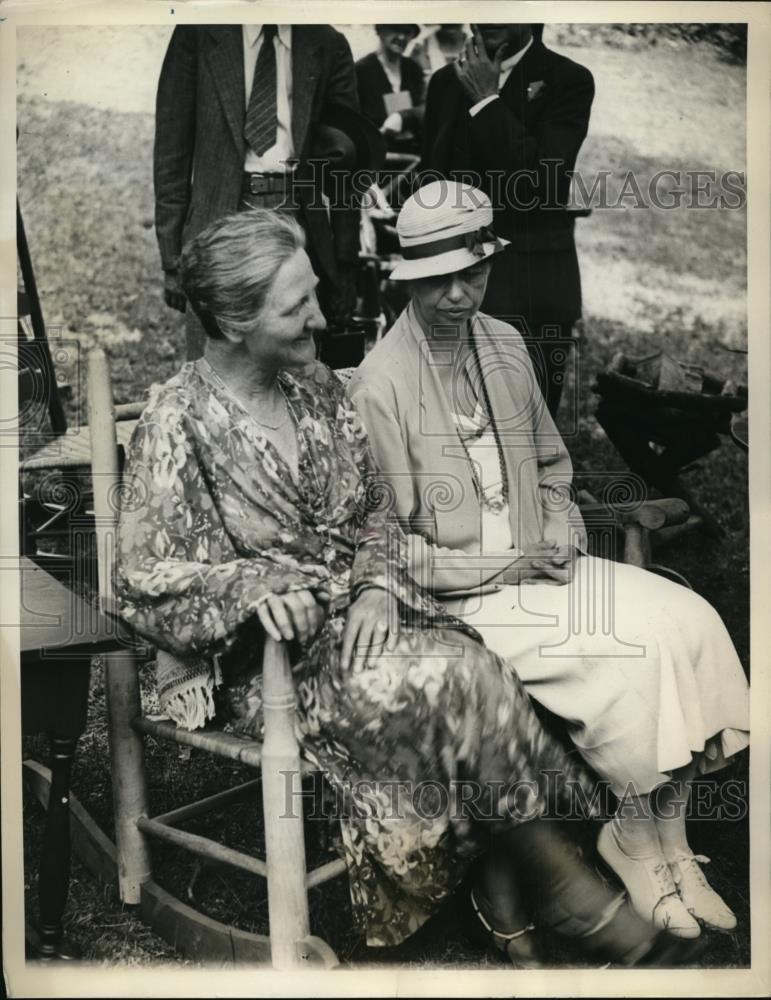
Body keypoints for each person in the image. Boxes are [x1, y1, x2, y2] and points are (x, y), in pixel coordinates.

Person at [116, 208, 696, 968]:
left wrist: (376, 588)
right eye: (295, 307)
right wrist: (254, 584)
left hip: (366, 625)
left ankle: (517, 890)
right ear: (231, 320)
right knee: (458, 676)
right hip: (271, 664)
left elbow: (376, 514)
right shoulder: (176, 421)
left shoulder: (316, 389)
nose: (320, 317)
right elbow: (140, 575)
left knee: (473, 667)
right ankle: (563, 897)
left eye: (313, 294)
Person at [347, 182, 750, 941]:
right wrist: (507, 560)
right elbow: (393, 549)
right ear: (406, 278)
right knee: (627, 649)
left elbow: (551, 467)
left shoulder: (501, 342)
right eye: (438, 278)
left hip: (545, 569)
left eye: (474, 272)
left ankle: (664, 844)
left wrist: (561, 519)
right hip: (465, 600)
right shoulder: (381, 385)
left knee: (688, 620)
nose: (460, 293)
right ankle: (634, 842)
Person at [154, 23, 361, 360]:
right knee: (220, 354)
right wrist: (172, 258)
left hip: (296, 217)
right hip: (221, 218)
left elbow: (347, 165)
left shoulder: (325, 43)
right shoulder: (199, 34)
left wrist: (345, 265)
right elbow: (171, 149)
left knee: (292, 353)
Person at [420, 23, 594, 416]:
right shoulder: (446, 82)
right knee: (452, 425)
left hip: (531, 289)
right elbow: (432, 183)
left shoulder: (568, 80)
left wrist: (487, 102)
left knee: (525, 430)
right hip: (454, 283)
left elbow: (543, 185)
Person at [355, 25, 425, 153]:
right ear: (379, 30)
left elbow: (424, 107)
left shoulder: (413, 69)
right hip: (376, 155)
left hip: (413, 153)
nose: (401, 37)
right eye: (395, 29)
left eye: (407, 31)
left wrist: (403, 117)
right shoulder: (360, 71)